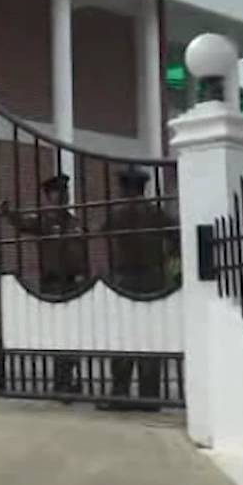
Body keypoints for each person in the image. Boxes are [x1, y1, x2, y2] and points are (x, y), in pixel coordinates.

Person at [0, 173, 87, 398]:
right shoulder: (44, 220)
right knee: (60, 335)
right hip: (54, 283)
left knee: (74, 335)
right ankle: (62, 383)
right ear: (50, 196)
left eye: (65, 192)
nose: (63, 196)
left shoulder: (73, 221)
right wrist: (8, 213)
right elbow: (24, 223)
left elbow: (82, 252)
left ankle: (70, 379)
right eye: (58, 192)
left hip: (74, 284)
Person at [101, 168, 179, 410]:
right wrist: (167, 258)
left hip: (125, 279)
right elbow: (176, 236)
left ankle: (121, 394)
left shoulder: (117, 213)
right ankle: (150, 396)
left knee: (123, 337)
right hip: (154, 278)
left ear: (124, 188)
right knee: (150, 337)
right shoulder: (156, 212)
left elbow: (102, 231)